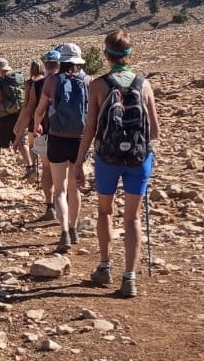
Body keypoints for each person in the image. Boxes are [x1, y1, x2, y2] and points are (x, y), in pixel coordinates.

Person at [76, 29, 160, 298]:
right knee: (133, 217)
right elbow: (155, 130)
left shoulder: (98, 85)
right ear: (130, 54)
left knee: (105, 211)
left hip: (107, 158)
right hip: (138, 158)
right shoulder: (143, 84)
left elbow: (90, 128)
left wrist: (79, 162)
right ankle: (129, 277)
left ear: (106, 55)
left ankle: (104, 267)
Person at [33, 43, 89, 252]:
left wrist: (36, 125)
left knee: (60, 189)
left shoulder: (52, 81)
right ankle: (74, 229)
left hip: (57, 138)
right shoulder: (88, 80)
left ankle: (64, 231)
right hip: (79, 140)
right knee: (75, 188)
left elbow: (40, 109)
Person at [15, 50, 60, 220]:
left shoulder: (39, 84)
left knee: (47, 169)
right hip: (68, 135)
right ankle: (66, 209)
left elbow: (29, 109)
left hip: (43, 131)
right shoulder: (70, 80)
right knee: (66, 172)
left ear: (45, 64)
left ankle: (50, 207)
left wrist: (21, 133)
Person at [0, 57, 32, 176]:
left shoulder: (1, 80)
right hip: (20, 115)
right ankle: (30, 167)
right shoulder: (20, 77)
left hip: (5, 116)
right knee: (21, 140)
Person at [17, 59, 45, 181]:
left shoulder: (29, 83)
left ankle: (33, 169)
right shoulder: (47, 81)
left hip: (33, 116)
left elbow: (27, 103)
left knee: (32, 145)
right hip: (45, 117)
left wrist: (20, 120)